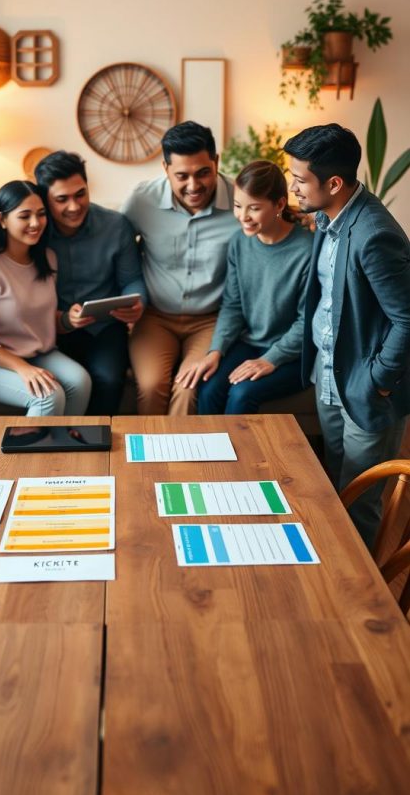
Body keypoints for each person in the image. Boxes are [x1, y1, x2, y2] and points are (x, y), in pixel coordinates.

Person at [285, 122, 410, 549]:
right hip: (329, 379)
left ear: (333, 182)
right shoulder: (327, 216)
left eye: (300, 179)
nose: (294, 186)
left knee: (360, 502)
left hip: (364, 386)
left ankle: (362, 604)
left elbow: (407, 318)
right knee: (334, 487)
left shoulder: (375, 234)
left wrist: (378, 380)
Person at [175, 160, 312, 413]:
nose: (243, 216)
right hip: (250, 342)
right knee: (209, 386)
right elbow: (232, 305)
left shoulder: (306, 250)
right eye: (238, 206)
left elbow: (308, 322)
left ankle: (238, 454)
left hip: (295, 355)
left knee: (241, 394)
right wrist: (216, 351)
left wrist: (271, 359)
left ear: (280, 204)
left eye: (254, 208)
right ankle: (210, 453)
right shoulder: (239, 242)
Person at [122, 120, 237, 414]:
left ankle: (178, 461)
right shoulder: (142, 200)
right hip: (154, 319)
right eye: (182, 176)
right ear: (165, 169)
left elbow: (274, 228)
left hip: (209, 321)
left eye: (203, 173)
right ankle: (147, 458)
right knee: (149, 387)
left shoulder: (241, 201)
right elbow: (117, 248)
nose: (193, 185)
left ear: (216, 162)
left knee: (187, 390)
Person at [0, 180, 91, 416]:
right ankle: (34, 453)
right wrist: (22, 368)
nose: (35, 223)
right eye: (24, 216)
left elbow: (40, 317)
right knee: (48, 395)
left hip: (38, 353)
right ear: (2, 219)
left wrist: (68, 320)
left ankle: (65, 448)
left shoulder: (48, 258)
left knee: (80, 382)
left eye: (41, 214)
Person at [35, 151, 146, 415]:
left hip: (104, 328)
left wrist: (138, 302)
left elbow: (132, 280)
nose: (74, 206)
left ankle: (97, 441)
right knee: (56, 385)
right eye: (61, 199)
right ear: (44, 199)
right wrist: (62, 319)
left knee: (108, 379)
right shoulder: (34, 230)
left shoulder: (116, 225)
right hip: (49, 329)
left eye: (80, 194)